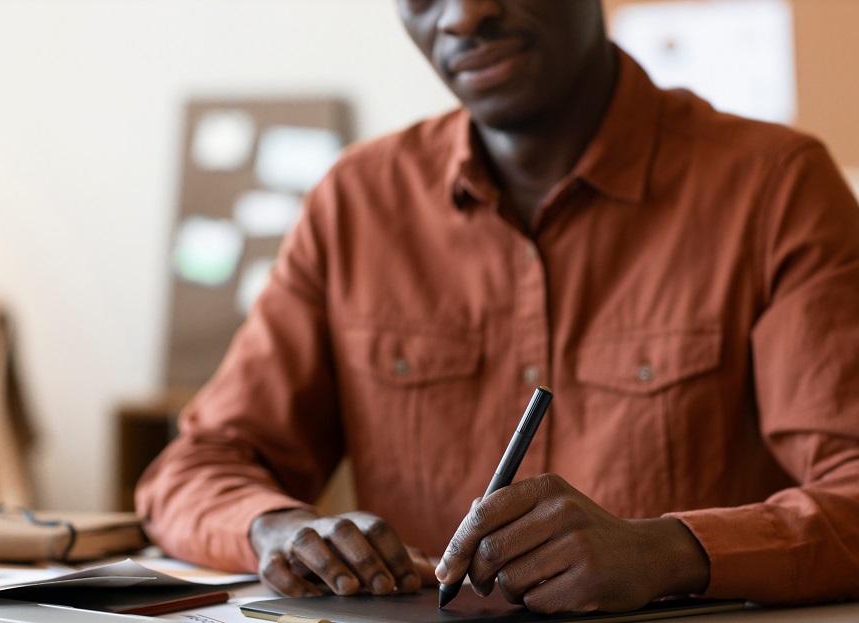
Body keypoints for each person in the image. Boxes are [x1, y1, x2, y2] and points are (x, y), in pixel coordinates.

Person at [136, 0, 859, 612]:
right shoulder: (356, 204)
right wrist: (275, 528)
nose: (462, 16)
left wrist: (668, 549)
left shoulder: (775, 191)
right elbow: (192, 470)